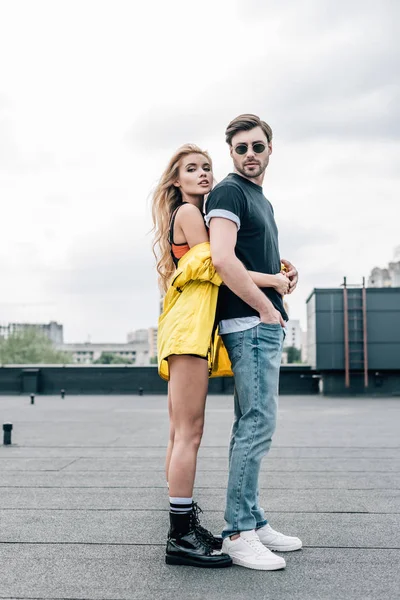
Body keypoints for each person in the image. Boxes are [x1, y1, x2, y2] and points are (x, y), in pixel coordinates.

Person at [151, 143, 290, 568]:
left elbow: (223, 260)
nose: (204, 174)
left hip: (185, 330)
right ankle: (180, 536)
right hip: (190, 333)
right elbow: (221, 265)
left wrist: (273, 270)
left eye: (206, 167)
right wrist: (274, 280)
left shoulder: (190, 215)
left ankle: (184, 524)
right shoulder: (190, 215)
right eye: (191, 169)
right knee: (189, 433)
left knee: (181, 433)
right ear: (176, 181)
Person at [205, 114, 302, 571]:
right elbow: (223, 259)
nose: (249, 154)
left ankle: (254, 521)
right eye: (240, 147)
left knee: (251, 424)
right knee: (257, 425)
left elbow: (246, 256)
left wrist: (281, 273)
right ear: (231, 153)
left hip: (259, 321)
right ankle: (238, 532)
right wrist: (265, 309)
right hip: (250, 324)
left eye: (256, 146)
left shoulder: (258, 199)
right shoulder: (227, 192)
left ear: (269, 149)